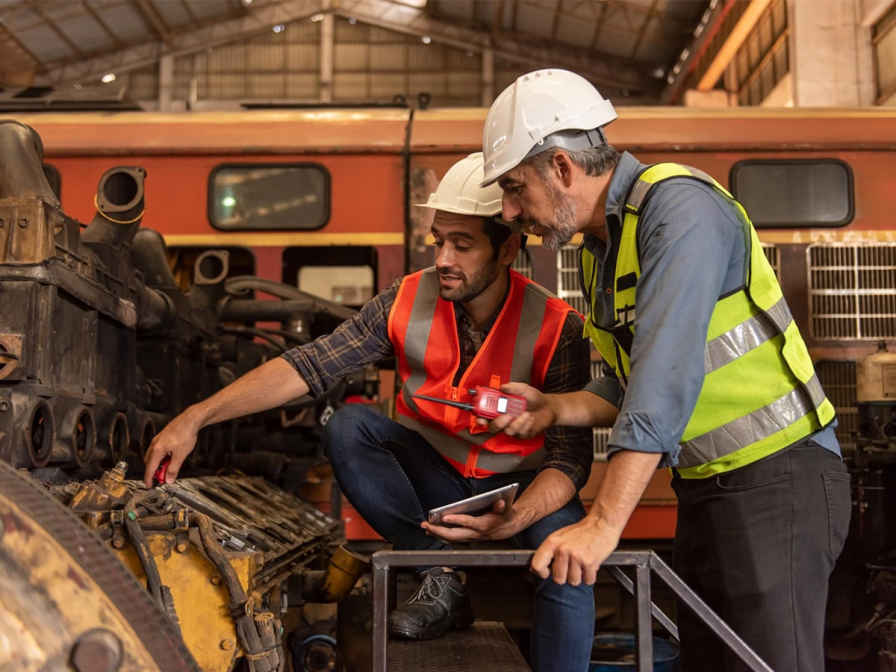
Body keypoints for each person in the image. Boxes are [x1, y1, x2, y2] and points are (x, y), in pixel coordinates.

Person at [143, 153, 597, 672]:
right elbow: (310, 365)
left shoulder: (559, 326)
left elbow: (570, 459)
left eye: (463, 245)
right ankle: (441, 576)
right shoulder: (403, 301)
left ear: (509, 248)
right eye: (439, 241)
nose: (444, 258)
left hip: (524, 490)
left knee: (569, 563)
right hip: (439, 481)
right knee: (349, 425)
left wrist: (520, 516)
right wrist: (196, 417)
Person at [478, 69, 852, 672]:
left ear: (563, 168)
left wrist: (603, 524)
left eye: (517, 188)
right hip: (709, 488)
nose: (510, 210)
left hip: (780, 480)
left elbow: (666, 372)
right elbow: (630, 382)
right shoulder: (604, 249)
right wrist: (555, 407)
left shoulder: (679, 209)